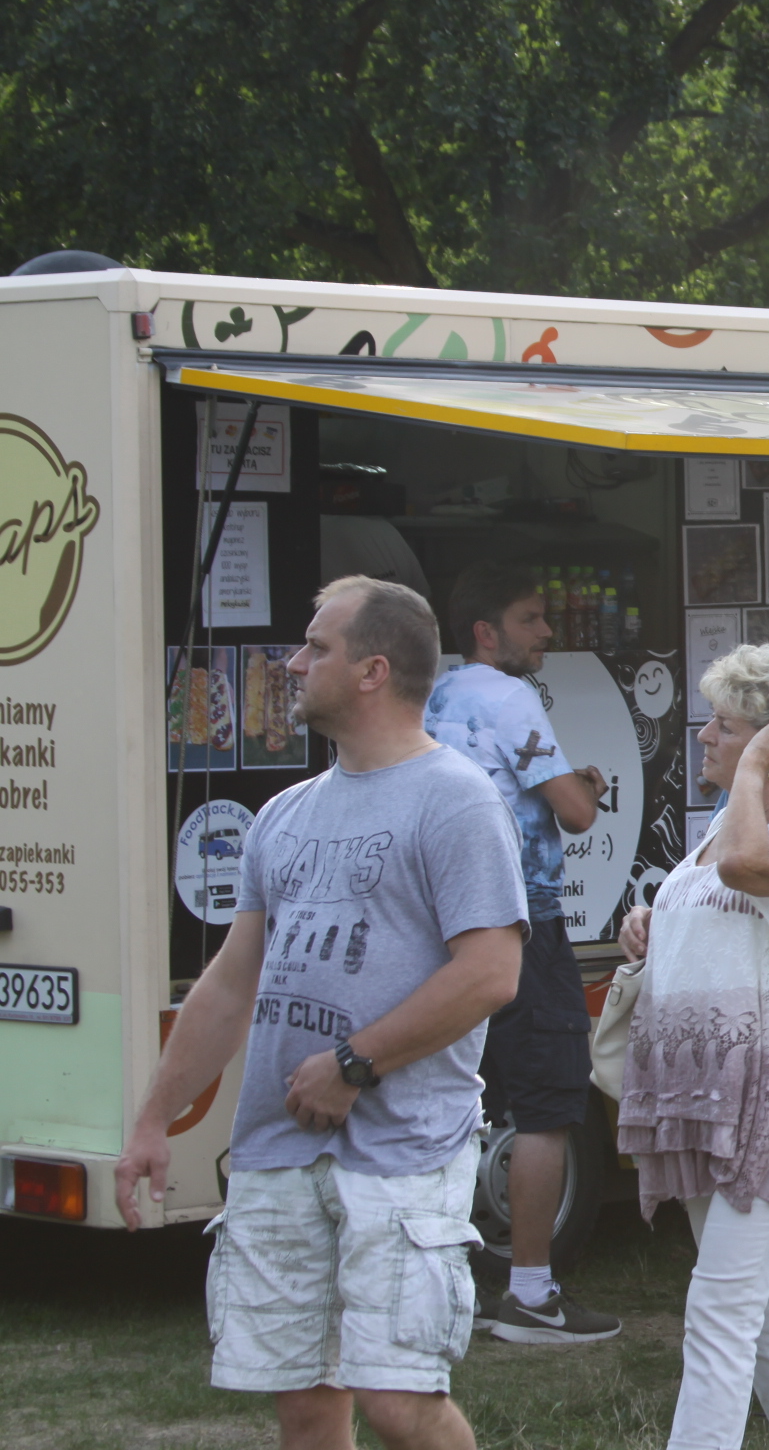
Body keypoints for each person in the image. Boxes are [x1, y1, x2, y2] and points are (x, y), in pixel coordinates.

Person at [114, 577, 529, 1450]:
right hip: (278, 1151)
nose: (294, 663)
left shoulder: (455, 798)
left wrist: (353, 1063)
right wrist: (155, 1119)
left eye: (317, 647)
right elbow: (232, 983)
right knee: (305, 1407)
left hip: (403, 1152)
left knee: (398, 1402)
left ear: (373, 671)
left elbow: (491, 974)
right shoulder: (284, 814)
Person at [616, 644, 769, 1450]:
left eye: (724, 726)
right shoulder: (718, 831)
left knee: (720, 1306)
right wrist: (651, 923)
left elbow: (749, 870)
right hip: (703, 1093)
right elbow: (721, 906)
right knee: (765, 1305)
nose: (704, 737)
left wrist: (754, 769)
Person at [427, 561, 620, 1343]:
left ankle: (448, 1287)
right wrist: (587, 786)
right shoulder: (510, 697)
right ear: (487, 632)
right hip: (523, 922)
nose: (547, 632)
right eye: (531, 619)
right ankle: (532, 1295)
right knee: (550, 1100)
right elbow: (575, 812)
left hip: (446, 925)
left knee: (459, 1098)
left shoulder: (440, 695)